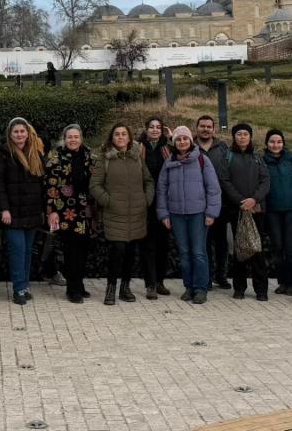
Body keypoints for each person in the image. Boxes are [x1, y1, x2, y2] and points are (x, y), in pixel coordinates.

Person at [156, 126, 222, 304]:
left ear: (190, 141)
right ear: (175, 142)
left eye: (185, 139)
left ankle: (201, 288)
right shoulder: (169, 162)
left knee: (199, 252)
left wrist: (211, 212)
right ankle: (189, 286)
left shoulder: (202, 160)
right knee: (184, 253)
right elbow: (161, 190)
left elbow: (213, 189)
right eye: (178, 139)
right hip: (176, 215)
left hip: (198, 214)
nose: (182, 142)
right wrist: (164, 215)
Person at [91, 123, 153, 305]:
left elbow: (148, 181)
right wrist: (108, 201)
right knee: (117, 251)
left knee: (130, 252)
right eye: (116, 134)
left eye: (123, 134)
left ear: (129, 138)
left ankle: (125, 288)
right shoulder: (105, 159)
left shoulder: (137, 158)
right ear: (112, 138)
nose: (120, 137)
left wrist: (146, 200)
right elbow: (94, 185)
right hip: (115, 214)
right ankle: (111, 288)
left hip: (136, 213)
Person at [0, 118, 47, 305]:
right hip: (13, 213)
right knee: (17, 250)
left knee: (27, 252)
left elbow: (41, 184)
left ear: (27, 132)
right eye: (15, 131)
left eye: (22, 131)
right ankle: (18, 289)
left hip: (31, 212)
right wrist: (4, 209)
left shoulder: (35, 154)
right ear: (10, 134)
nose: (19, 134)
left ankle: (24, 286)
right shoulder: (2, 155)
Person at [44, 124, 96, 304]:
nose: (73, 140)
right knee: (71, 250)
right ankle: (72, 289)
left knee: (82, 249)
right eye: (69, 137)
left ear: (81, 138)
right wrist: (52, 212)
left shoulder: (89, 154)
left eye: (76, 136)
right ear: (64, 138)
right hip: (64, 210)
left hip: (85, 210)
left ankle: (79, 284)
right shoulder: (55, 155)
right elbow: (51, 185)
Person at [224, 123, 270, 301]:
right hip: (237, 210)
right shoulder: (228, 156)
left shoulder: (258, 157)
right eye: (239, 134)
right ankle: (239, 288)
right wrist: (241, 201)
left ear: (250, 137)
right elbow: (225, 181)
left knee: (257, 249)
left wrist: (254, 199)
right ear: (234, 137)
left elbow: (265, 180)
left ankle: (261, 289)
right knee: (240, 249)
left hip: (256, 209)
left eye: (245, 134)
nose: (242, 137)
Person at [194, 115, 234, 289]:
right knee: (204, 242)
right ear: (197, 128)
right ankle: (207, 277)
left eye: (208, 126)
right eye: (202, 126)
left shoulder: (222, 148)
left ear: (213, 129)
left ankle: (221, 276)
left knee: (221, 243)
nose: (205, 129)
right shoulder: (191, 147)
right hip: (198, 203)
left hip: (221, 203)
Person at [262, 129, 292, 296]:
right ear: (266, 144)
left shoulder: (290, 159)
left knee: (290, 247)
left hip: (291, 209)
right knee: (277, 246)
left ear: (283, 143)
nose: (275, 145)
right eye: (272, 142)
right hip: (272, 210)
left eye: (278, 142)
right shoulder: (262, 160)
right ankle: (283, 282)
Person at [138, 118, 173, 298]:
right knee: (148, 244)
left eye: (158, 127)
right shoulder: (138, 147)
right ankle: (150, 284)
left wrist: (172, 138)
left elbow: (183, 155)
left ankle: (160, 281)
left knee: (163, 244)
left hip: (164, 202)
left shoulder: (167, 148)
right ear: (146, 129)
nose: (154, 130)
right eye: (151, 127)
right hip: (145, 202)